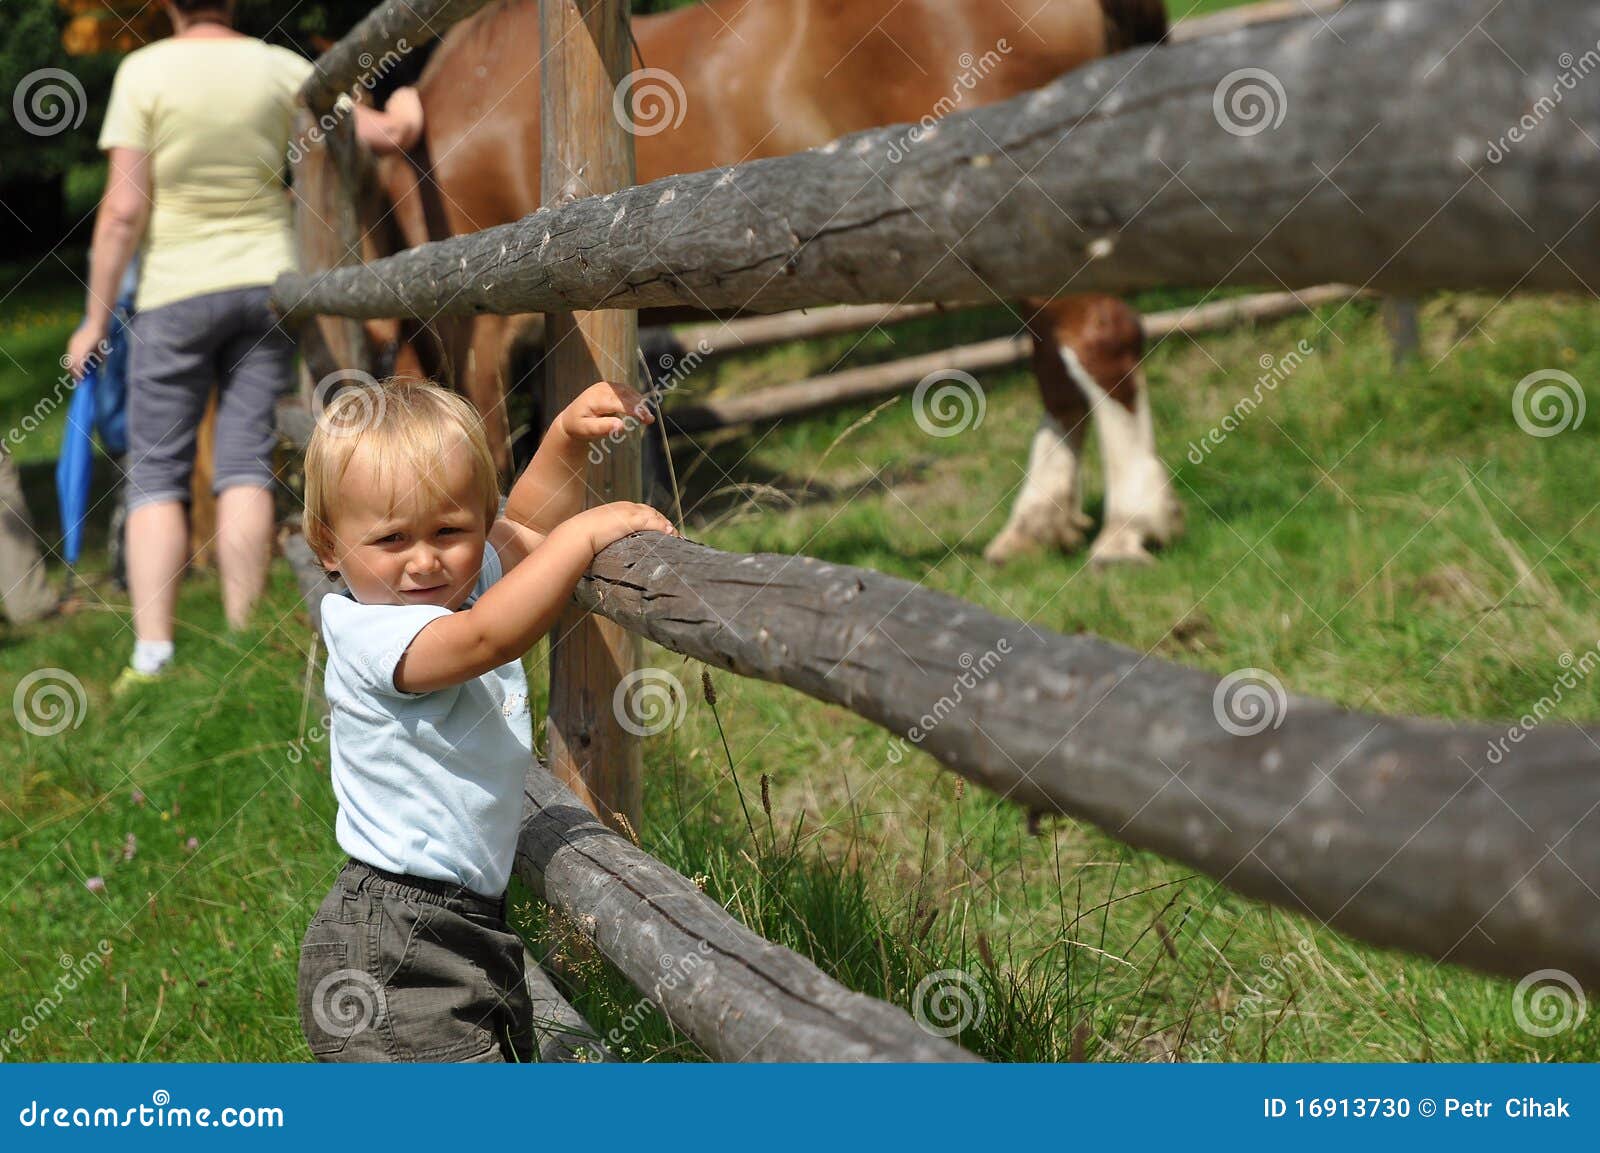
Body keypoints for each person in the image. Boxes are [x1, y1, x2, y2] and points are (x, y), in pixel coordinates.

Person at [296, 375, 674, 1062]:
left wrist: (562, 439)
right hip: (396, 940)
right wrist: (584, 535)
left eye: (449, 529)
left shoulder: (454, 585)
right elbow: (487, 639)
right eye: (390, 539)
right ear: (329, 547)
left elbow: (520, 531)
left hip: (460, 920)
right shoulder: (371, 632)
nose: (424, 559)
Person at [63, 0, 425, 693]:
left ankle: (154, 653)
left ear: (168, 5)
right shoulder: (281, 66)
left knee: (156, 473)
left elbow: (122, 211)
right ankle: (237, 631)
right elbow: (380, 132)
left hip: (173, 295)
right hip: (264, 287)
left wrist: (93, 320)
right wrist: (406, 99)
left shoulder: (144, 71)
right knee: (243, 464)